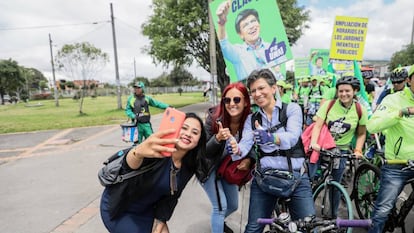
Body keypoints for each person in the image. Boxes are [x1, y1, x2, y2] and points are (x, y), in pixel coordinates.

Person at [227, 69, 315, 233]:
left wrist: (271, 138)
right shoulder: (251, 119)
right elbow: (245, 146)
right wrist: (235, 148)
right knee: (253, 228)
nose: (257, 94)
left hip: (296, 179)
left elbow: (293, 137)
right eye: (253, 91)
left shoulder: (292, 109)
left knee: (308, 227)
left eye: (261, 88)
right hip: (264, 180)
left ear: (274, 88)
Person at [100, 113, 206, 233]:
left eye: (195, 132)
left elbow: (171, 198)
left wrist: (160, 223)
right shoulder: (156, 150)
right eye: (184, 128)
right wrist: (137, 152)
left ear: (199, 140)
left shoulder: (188, 166)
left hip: (146, 211)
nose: (188, 134)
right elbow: (128, 166)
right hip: (119, 208)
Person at [198, 82, 253, 233]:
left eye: (237, 100)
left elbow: (254, 145)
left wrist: (249, 160)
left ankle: (218, 221)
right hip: (208, 168)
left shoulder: (249, 120)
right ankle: (218, 222)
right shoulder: (214, 118)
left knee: (233, 205)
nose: (231, 104)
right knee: (220, 206)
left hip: (226, 169)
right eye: (227, 100)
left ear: (245, 101)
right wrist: (217, 138)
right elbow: (204, 152)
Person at [310, 76, 368, 216]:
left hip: (341, 151)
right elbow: (317, 126)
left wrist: (358, 150)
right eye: (340, 91)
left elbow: (361, 134)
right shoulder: (329, 105)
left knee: (336, 186)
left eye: (347, 91)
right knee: (308, 179)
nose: (343, 94)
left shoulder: (360, 110)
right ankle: (305, 209)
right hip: (322, 147)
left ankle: (333, 216)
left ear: (355, 91)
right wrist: (314, 143)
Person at [366, 65, 414, 233]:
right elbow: (372, 126)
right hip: (398, 164)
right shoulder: (392, 99)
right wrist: (400, 113)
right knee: (382, 211)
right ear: (409, 80)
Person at [216, 2, 286, 81]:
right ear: (240, 34)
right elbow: (224, 44)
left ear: (259, 24)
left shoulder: (273, 47)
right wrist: (222, 22)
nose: (251, 26)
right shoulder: (238, 52)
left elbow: (282, 74)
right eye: (245, 25)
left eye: (253, 21)